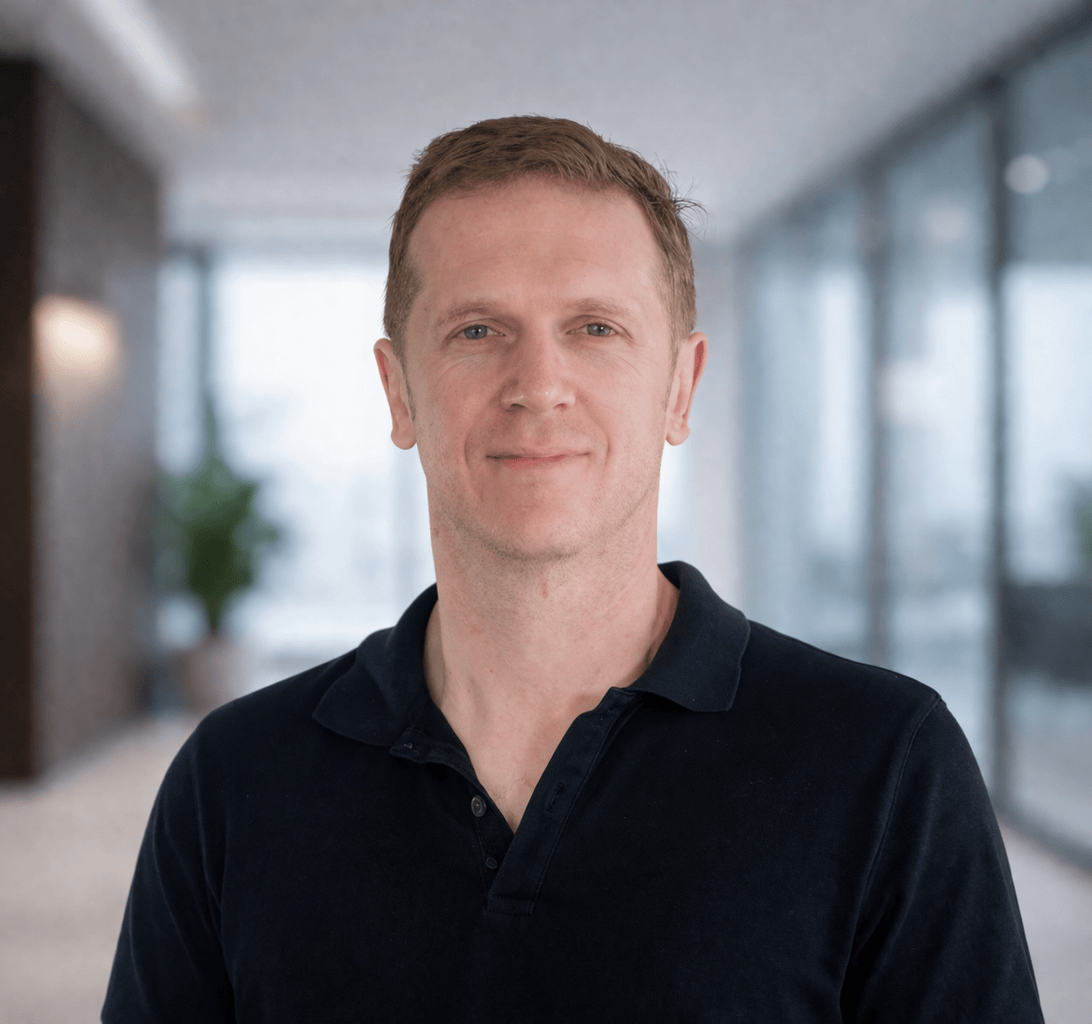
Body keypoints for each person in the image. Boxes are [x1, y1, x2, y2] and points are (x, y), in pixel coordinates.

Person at [103, 116, 1043, 1022]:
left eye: (595, 327)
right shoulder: (233, 780)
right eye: (477, 329)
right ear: (399, 392)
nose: (538, 382)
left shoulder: (884, 762)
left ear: (681, 386)